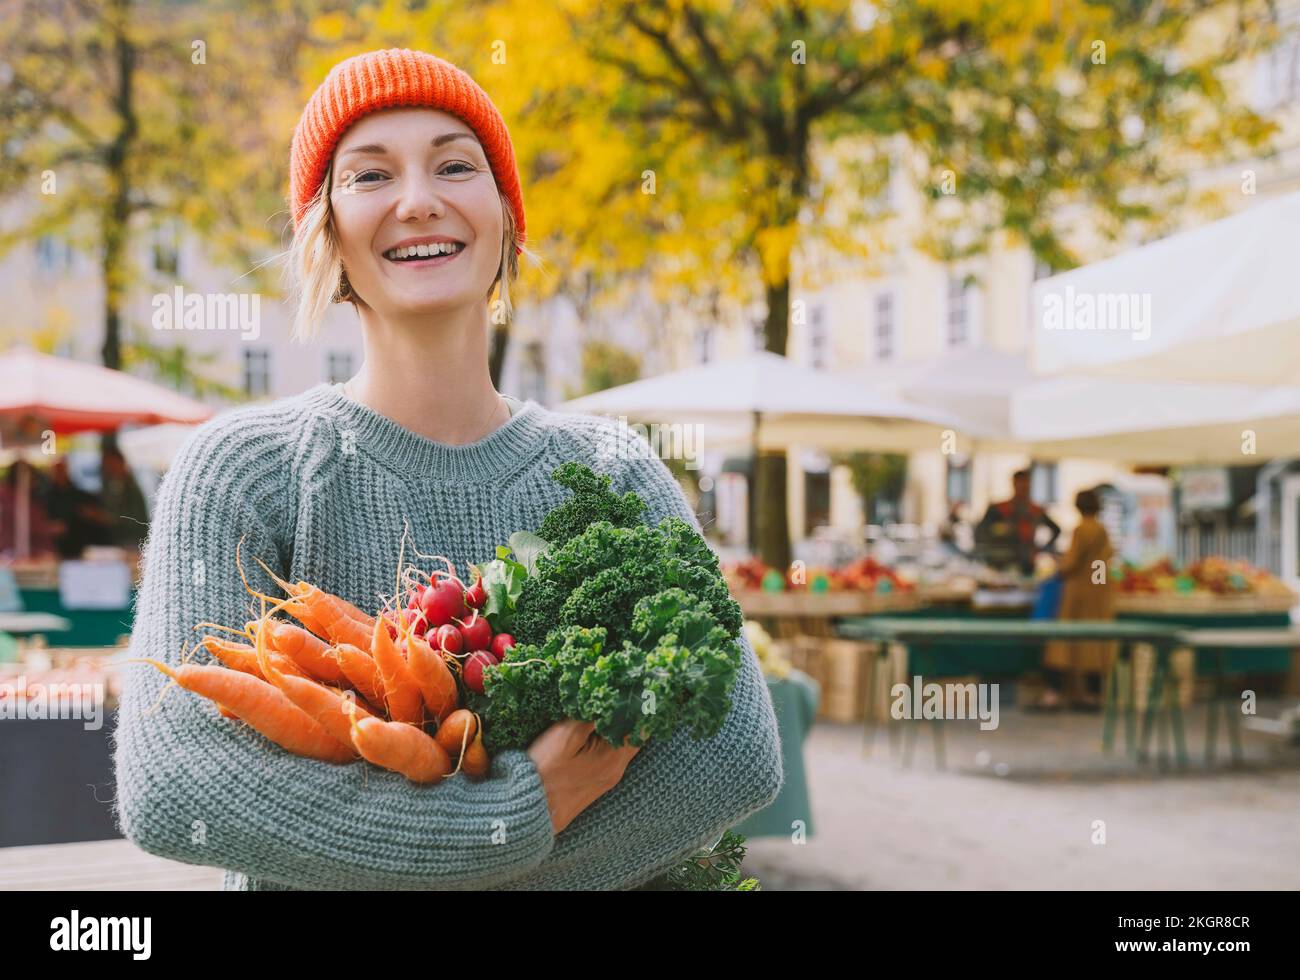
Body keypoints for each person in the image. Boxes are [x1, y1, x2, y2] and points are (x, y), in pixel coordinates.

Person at [114, 48, 782, 892]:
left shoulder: (615, 470)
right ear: (326, 233)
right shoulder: (243, 472)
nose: (419, 200)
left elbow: (733, 758)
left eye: (455, 165)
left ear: (506, 218)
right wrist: (508, 821)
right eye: (369, 175)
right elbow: (177, 783)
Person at [1041, 489, 1116, 710]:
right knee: (1093, 645)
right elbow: (1102, 562)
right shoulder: (1102, 530)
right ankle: (1091, 695)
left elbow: (1071, 563)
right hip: (1097, 595)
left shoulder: (1082, 529)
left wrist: (1058, 569)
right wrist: (1097, 583)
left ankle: (1054, 694)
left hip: (1077, 595)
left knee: (1062, 644)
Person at [975, 468, 1061, 576]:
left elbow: (1056, 530)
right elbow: (980, 532)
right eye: (1020, 483)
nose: (1023, 487)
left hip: (1027, 562)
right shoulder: (999, 509)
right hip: (1001, 561)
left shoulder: (1035, 510)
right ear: (1014, 483)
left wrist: (1041, 549)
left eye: (1025, 484)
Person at [98, 447, 150, 553]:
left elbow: (133, 518)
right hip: (122, 542)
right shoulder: (114, 484)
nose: (108, 468)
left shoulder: (130, 486)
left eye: (111, 463)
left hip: (133, 542)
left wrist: (106, 517)